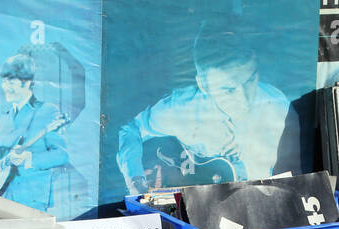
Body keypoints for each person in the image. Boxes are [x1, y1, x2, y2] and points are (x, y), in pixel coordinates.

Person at [117, 34, 300, 194]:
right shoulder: (182, 107)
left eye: (250, 79)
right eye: (228, 90)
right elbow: (131, 130)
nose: (244, 98)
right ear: (203, 85)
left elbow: (293, 180)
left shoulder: (277, 107)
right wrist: (135, 180)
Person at [0, 54, 68, 211]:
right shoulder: (3, 119)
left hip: (32, 199)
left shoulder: (47, 111)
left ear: (27, 83)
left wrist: (29, 158)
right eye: (3, 81)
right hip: (3, 197)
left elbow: (61, 155)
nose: (5, 86)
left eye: (10, 82)